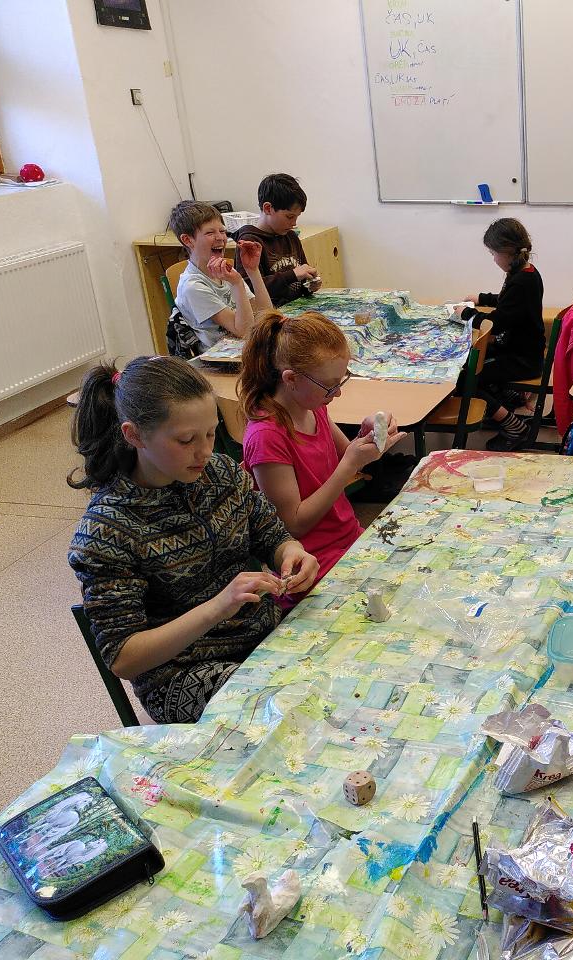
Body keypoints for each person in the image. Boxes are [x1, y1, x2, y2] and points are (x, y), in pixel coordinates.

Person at [68, 356, 318, 723]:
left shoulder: (220, 473)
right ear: (134, 435)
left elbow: (271, 534)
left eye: (211, 434)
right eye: (186, 440)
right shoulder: (106, 532)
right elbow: (124, 657)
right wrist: (219, 606)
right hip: (181, 675)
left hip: (261, 638)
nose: (205, 452)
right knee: (287, 706)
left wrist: (292, 553)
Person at [240, 310, 403, 607]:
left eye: (341, 381)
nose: (337, 393)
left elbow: (348, 452)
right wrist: (350, 465)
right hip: (309, 563)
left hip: (348, 538)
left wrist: (369, 434)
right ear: (291, 379)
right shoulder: (266, 436)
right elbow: (294, 525)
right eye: (330, 385)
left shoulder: (312, 405)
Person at [460, 218, 545, 451]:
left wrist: (466, 314)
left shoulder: (521, 281)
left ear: (506, 252)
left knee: (465, 377)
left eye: (493, 253)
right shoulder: (525, 272)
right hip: (523, 351)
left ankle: (514, 426)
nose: (493, 258)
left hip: (522, 359)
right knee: (471, 361)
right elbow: (508, 303)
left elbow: (496, 324)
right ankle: (506, 400)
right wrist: (482, 298)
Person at [170, 200, 274, 349]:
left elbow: (267, 315)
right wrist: (237, 284)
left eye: (223, 231)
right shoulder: (193, 286)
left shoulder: (225, 273)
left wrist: (253, 271)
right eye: (210, 233)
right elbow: (244, 331)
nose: (220, 238)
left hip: (244, 348)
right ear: (188, 240)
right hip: (219, 358)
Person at [235, 173, 322, 307]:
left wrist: (310, 285)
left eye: (297, 217)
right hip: (271, 314)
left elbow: (301, 281)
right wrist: (292, 275)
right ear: (268, 208)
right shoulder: (249, 242)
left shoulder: (291, 237)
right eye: (289, 217)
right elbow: (249, 290)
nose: (294, 223)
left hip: (298, 309)